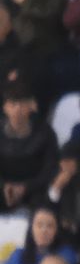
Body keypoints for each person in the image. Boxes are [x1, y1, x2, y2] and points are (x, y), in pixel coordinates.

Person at [0, 81, 57, 209]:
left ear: (31, 105)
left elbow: (50, 168)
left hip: (35, 190)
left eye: (22, 103)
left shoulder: (45, 132)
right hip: (4, 189)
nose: (18, 109)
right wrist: (4, 186)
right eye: (13, 104)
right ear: (5, 107)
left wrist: (26, 187)